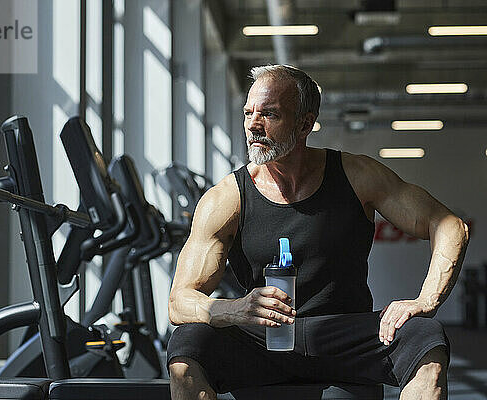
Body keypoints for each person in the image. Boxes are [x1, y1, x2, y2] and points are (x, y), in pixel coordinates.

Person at [166, 64, 469, 400]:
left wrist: (425, 301)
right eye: (249, 112)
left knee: (424, 335)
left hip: (346, 335)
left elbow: (449, 225)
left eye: (269, 114)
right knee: (188, 342)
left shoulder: (356, 174)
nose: (253, 124)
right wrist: (234, 309)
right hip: (266, 338)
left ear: (305, 124)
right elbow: (180, 301)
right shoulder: (226, 198)